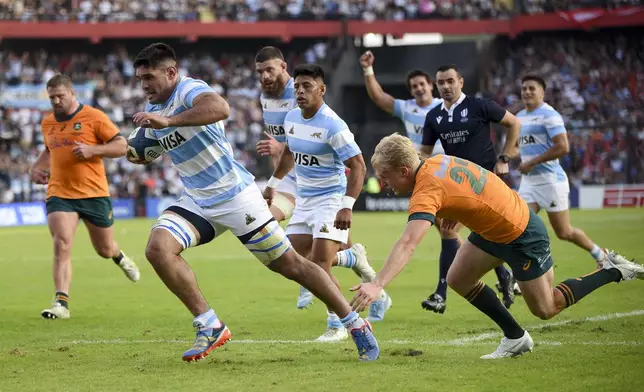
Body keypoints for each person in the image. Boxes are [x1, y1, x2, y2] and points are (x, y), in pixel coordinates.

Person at [128, 43, 379, 362]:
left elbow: (220, 108)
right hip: (197, 200)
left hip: (235, 196)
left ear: (171, 73)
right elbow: (138, 150)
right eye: (139, 79)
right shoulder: (152, 116)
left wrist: (169, 123)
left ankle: (355, 323)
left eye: (149, 76)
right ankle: (210, 325)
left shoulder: (189, 90)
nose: (144, 84)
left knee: (293, 266)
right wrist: (133, 151)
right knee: (157, 248)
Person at [350, 134, 643, 359]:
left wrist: (377, 284)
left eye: (385, 176)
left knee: (546, 307)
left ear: (403, 171)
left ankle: (611, 269)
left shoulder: (426, 188)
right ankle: (515, 337)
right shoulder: (435, 161)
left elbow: (408, 242)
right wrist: (458, 213)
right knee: (457, 278)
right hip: (495, 228)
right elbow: (474, 183)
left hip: (521, 233)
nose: (382, 183)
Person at [263, 63, 391, 342]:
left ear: (322, 90)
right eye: (296, 86)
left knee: (319, 265)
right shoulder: (292, 117)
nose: (300, 91)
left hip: (331, 200)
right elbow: (288, 152)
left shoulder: (333, 125)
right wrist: (271, 185)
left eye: (307, 86)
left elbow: (358, 166)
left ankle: (338, 324)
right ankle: (352, 258)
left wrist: (347, 205)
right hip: (305, 200)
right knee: (292, 261)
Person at [30, 74, 140, 320]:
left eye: (60, 96)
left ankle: (120, 258)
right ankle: (61, 302)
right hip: (60, 193)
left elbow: (122, 146)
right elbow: (49, 151)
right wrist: (35, 168)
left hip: (94, 193)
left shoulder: (94, 117)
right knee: (62, 242)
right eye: (52, 97)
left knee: (104, 248)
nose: (56, 101)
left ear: (72, 94)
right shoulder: (48, 123)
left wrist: (93, 150)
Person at [417, 64, 521, 312]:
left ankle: (442, 293)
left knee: (461, 231)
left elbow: (514, 122)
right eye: (441, 82)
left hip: (487, 182)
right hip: (458, 184)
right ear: (436, 85)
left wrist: (505, 158)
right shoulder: (434, 117)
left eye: (450, 81)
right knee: (460, 231)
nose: (446, 86)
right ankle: (501, 276)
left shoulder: (479, 105)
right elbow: (425, 153)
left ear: (461, 82)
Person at [517, 75, 606, 268]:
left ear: (542, 91)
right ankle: (523, 274)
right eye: (524, 88)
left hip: (550, 181)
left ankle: (601, 255)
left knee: (564, 232)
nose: (527, 92)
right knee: (518, 226)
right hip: (528, 182)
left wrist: (533, 161)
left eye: (532, 88)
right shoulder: (519, 117)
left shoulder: (550, 115)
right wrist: (506, 157)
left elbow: (563, 147)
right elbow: (520, 147)